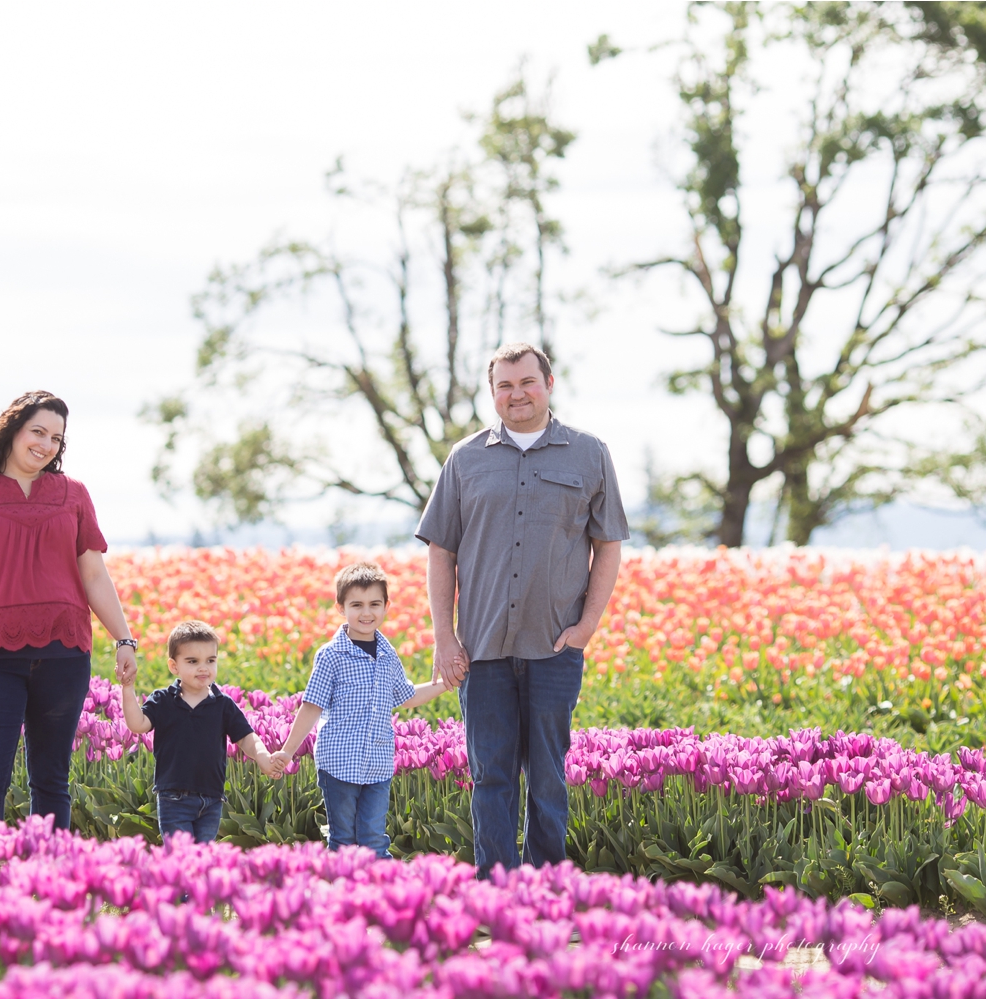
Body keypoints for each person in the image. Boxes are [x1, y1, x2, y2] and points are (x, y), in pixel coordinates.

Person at [416, 343, 627, 877]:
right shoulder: (465, 459)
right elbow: (441, 550)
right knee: (491, 776)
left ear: (549, 383)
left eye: (527, 382)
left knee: (549, 775)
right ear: (492, 394)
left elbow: (609, 547)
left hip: (554, 646)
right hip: (482, 648)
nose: (517, 394)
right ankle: (497, 890)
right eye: (504, 386)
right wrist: (445, 637)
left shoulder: (590, 453)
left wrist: (584, 629)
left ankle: (547, 886)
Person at [0, 390, 140, 831]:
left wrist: (124, 638)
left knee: (53, 780)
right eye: (37, 431)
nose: (45, 444)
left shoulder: (73, 494)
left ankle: (49, 886)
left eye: (56, 438)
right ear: (12, 430)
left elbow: (94, 574)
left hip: (65, 654)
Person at [267, 562, 454, 857]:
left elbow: (406, 697)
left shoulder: (388, 654)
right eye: (357, 605)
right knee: (343, 839)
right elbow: (311, 706)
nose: (366, 613)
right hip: (339, 762)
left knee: (373, 837)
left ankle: (380, 898)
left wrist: (446, 683)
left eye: (374, 604)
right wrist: (288, 751)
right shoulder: (331, 656)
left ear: (386, 606)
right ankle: (341, 898)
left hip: (378, 764)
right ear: (341, 607)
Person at [120, 621, 275, 843]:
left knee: (203, 860)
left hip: (212, 799)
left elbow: (246, 738)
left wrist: (263, 756)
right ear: (174, 666)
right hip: (174, 798)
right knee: (181, 858)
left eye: (210, 661)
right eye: (193, 661)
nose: (204, 668)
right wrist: (128, 689)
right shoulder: (163, 700)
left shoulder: (223, 704)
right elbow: (138, 725)